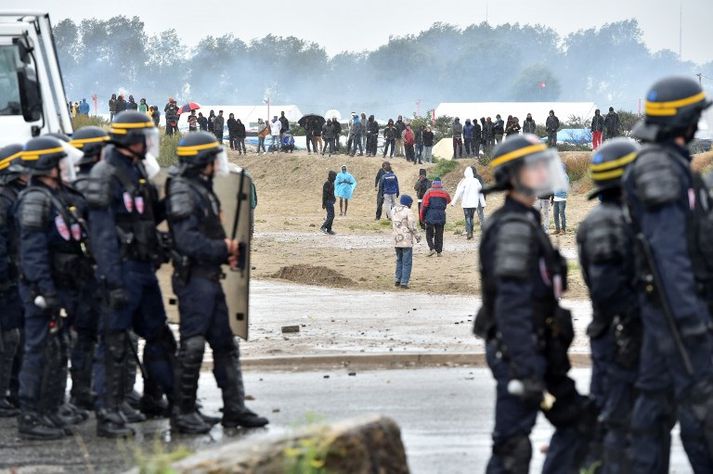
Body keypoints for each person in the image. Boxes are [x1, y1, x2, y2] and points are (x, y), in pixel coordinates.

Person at [475, 134, 594, 473]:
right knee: (512, 446)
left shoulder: (527, 220)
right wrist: (526, 369)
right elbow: (511, 306)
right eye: (535, 167)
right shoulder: (513, 228)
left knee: (579, 422)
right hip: (519, 353)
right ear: (515, 175)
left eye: (545, 165)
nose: (545, 173)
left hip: (540, 350)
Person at [623, 76, 713, 472]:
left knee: (654, 409)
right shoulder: (660, 168)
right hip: (677, 312)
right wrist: (691, 320)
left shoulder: (669, 164)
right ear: (686, 122)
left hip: (669, 309)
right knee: (700, 410)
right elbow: (670, 253)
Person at [166, 131, 268, 434]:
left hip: (209, 277)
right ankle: (182, 412)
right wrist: (225, 248)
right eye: (213, 157)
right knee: (193, 345)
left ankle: (234, 409)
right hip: (193, 280)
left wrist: (224, 253)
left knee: (226, 344)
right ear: (201, 160)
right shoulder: (183, 190)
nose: (218, 163)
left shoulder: (200, 187)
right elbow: (187, 241)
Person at [85, 111, 176, 437]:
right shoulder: (104, 175)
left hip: (142, 269)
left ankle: (177, 405)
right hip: (120, 271)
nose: (149, 142)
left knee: (160, 338)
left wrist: (173, 196)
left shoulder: (136, 171)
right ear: (130, 140)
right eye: (145, 137)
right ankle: (108, 414)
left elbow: (150, 218)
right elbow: (102, 236)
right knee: (113, 345)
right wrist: (111, 280)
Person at [14, 136, 90, 439]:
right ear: (46, 166)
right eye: (59, 163)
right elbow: (32, 253)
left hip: (62, 285)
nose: (65, 167)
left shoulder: (55, 195)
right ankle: (30, 416)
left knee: (58, 349)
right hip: (43, 290)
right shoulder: (35, 199)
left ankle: (51, 408)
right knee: (39, 350)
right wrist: (45, 291)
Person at [576, 138, 641, 473]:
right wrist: (634, 319)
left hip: (615, 333)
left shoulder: (612, 217)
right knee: (616, 416)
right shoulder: (608, 223)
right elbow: (608, 289)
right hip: (617, 335)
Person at [68, 127, 111, 411]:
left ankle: (94, 391)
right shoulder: (84, 188)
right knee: (87, 336)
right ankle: (85, 393)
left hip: (94, 273)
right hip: (85, 275)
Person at [0, 144, 26, 418]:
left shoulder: (19, 195)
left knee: (21, 338)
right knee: (9, 339)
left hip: (18, 278)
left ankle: (16, 391)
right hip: (7, 281)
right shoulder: (4, 198)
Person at [392, 195, 420, 290]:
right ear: (408, 203)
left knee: (399, 260)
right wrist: (417, 236)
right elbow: (412, 226)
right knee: (407, 262)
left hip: (396, 239)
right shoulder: (408, 211)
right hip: (406, 240)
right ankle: (404, 282)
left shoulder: (394, 210)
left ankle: (397, 279)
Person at [451, 167, 485, 240]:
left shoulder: (464, 181)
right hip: (474, 203)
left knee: (467, 218)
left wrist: (453, 202)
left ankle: (469, 233)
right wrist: (483, 203)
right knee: (471, 218)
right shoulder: (476, 181)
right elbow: (481, 193)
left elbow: (458, 192)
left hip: (466, 204)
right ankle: (471, 233)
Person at [420, 178, 450, 257]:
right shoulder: (444, 192)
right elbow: (449, 200)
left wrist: (422, 217)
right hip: (441, 214)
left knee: (429, 233)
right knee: (439, 234)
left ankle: (432, 248)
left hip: (430, 214)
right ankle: (439, 252)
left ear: (433, 183)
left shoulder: (429, 192)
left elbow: (424, 205)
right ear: (441, 183)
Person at [552, 168, 569, 234]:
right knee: (555, 214)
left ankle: (563, 229)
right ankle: (557, 229)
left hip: (562, 198)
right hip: (556, 198)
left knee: (562, 214)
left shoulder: (565, 176)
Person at [321, 171, 337, 235]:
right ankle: (323, 227)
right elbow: (325, 194)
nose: (335, 178)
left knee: (331, 215)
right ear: (331, 176)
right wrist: (323, 203)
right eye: (334, 176)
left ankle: (329, 230)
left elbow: (332, 193)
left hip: (331, 202)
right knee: (331, 215)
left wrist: (334, 198)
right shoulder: (327, 184)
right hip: (328, 202)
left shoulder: (332, 183)